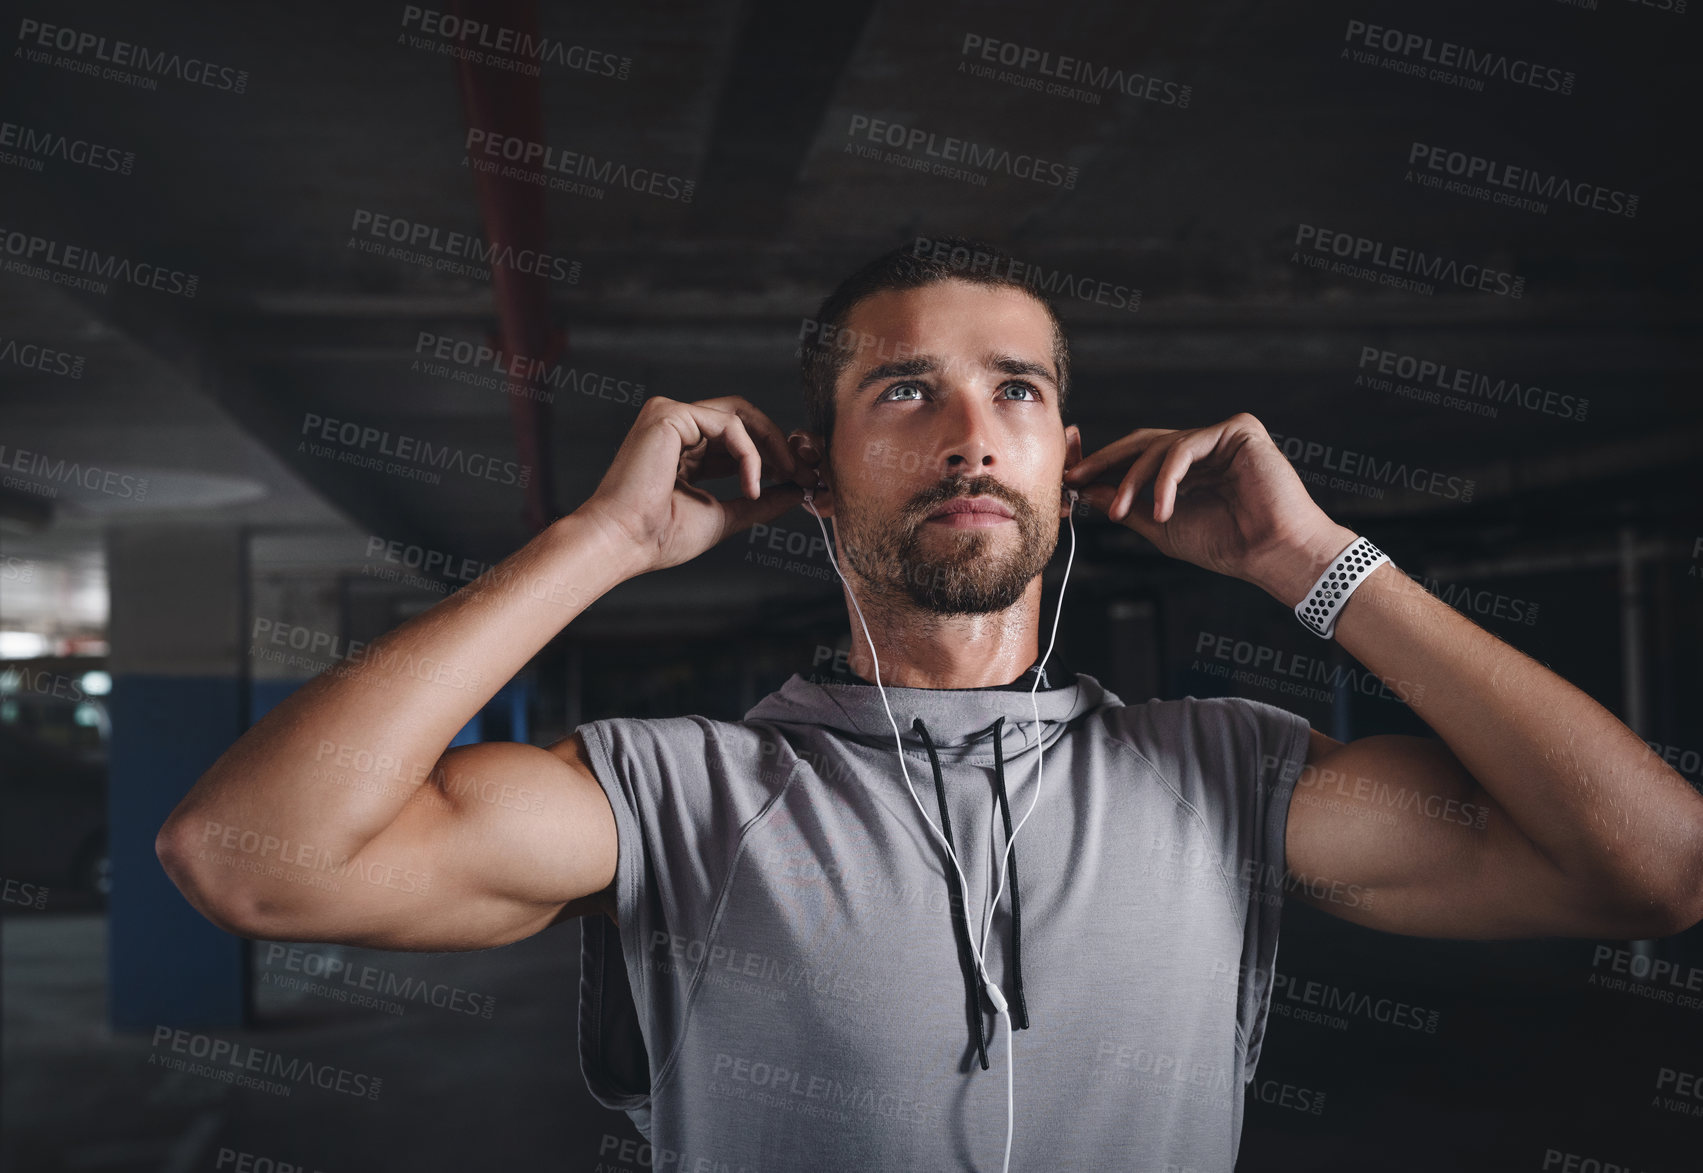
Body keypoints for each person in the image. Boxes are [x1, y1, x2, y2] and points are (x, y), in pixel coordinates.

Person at [157, 239, 1703, 1172]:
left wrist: (1315, 561)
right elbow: (247, 857)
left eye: (1016, 389)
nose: (974, 429)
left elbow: (1650, 864)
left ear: (1066, 454)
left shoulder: (1229, 772)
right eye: (907, 389)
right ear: (811, 467)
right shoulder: (673, 792)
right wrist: (601, 541)